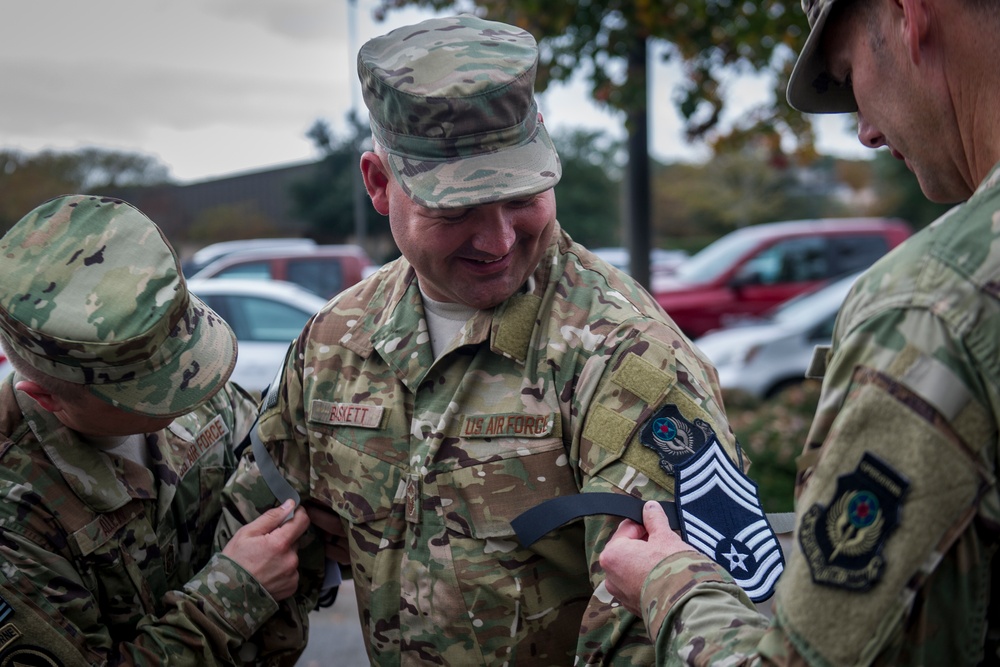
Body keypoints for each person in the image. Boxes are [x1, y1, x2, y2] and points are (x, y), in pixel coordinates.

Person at [215, 13, 772, 666]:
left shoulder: (630, 359)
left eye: (522, 196)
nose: (500, 239)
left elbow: (664, 630)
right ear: (378, 184)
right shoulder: (334, 342)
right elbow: (262, 557)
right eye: (455, 210)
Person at [599, 0, 1000, 664]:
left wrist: (670, 583)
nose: (866, 132)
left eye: (848, 72)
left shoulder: (935, 304)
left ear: (908, 15)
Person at [0, 194, 310, 666]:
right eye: (152, 394)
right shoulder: (15, 514)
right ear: (47, 400)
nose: (192, 392)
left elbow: (271, 465)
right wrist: (235, 594)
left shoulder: (192, 377)